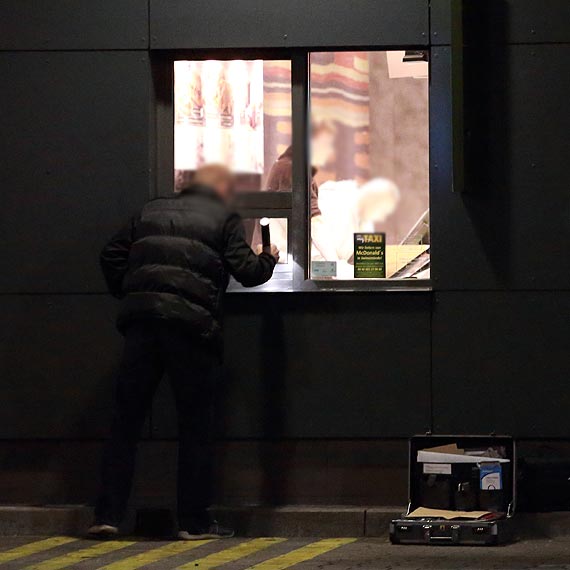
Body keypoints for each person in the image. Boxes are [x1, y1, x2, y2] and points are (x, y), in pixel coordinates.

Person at [89, 164, 279, 540]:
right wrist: (269, 256)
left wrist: (134, 292)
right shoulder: (224, 218)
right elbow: (249, 273)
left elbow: (110, 254)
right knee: (194, 425)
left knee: (125, 421)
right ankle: (192, 522)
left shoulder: (150, 210)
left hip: (142, 325)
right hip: (190, 329)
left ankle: (107, 516)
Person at [265, 122, 337, 261]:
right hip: (285, 261)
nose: (329, 151)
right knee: (337, 270)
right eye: (326, 144)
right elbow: (314, 224)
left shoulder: (284, 166)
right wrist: (336, 266)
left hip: (285, 259)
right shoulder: (293, 171)